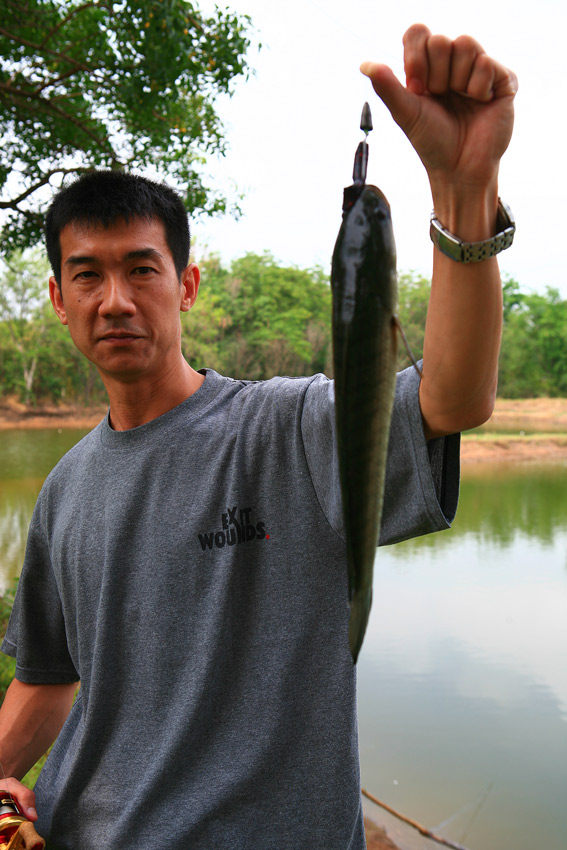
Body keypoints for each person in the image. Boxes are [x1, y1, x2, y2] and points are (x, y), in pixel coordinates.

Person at [0, 25, 516, 850]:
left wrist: (464, 189)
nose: (116, 300)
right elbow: (45, 678)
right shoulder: (64, 490)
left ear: (187, 285)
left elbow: (453, 398)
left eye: (141, 269)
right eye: (87, 275)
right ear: (59, 301)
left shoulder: (287, 430)